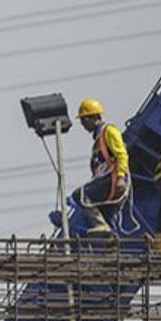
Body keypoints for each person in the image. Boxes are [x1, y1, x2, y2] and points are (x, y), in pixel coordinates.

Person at [70, 99, 129, 236]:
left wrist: (120, 177)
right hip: (109, 181)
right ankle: (113, 247)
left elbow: (122, 155)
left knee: (81, 195)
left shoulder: (109, 131)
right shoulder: (98, 139)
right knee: (107, 216)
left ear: (93, 117)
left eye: (84, 120)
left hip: (113, 180)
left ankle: (100, 225)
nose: (83, 124)